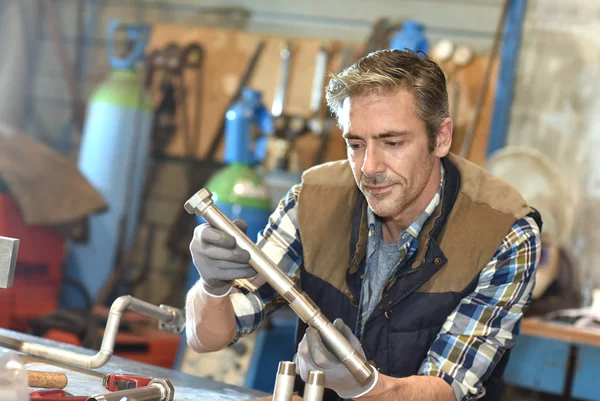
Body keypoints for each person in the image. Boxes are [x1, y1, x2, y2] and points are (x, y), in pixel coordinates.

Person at [185, 49, 542, 401]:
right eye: (355, 144)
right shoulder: (311, 202)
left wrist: (363, 386)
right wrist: (212, 287)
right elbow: (206, 339)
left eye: (392, 142)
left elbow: (445, 388)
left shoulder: (504, 234)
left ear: (441, 137)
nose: (369, 167)